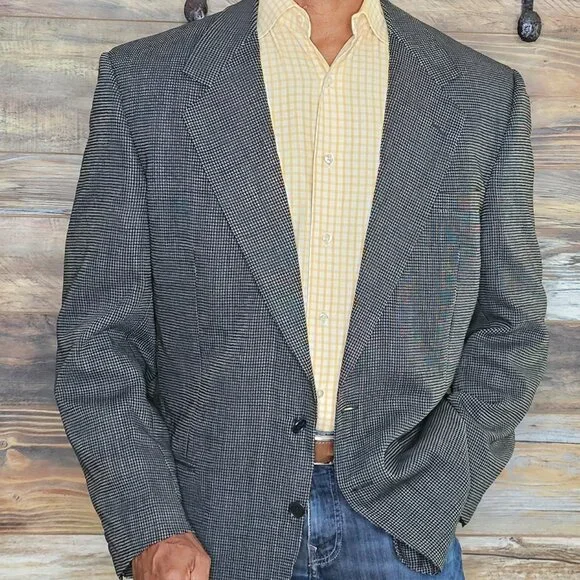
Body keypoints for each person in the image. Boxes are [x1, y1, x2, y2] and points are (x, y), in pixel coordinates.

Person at [53, 0, 549, 578]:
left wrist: (438, 492)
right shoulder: (147, 79)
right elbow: (97, 335)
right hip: (209, 525)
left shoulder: (482, 92)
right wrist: (150, 524)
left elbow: (511, 327)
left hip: (399, 525)